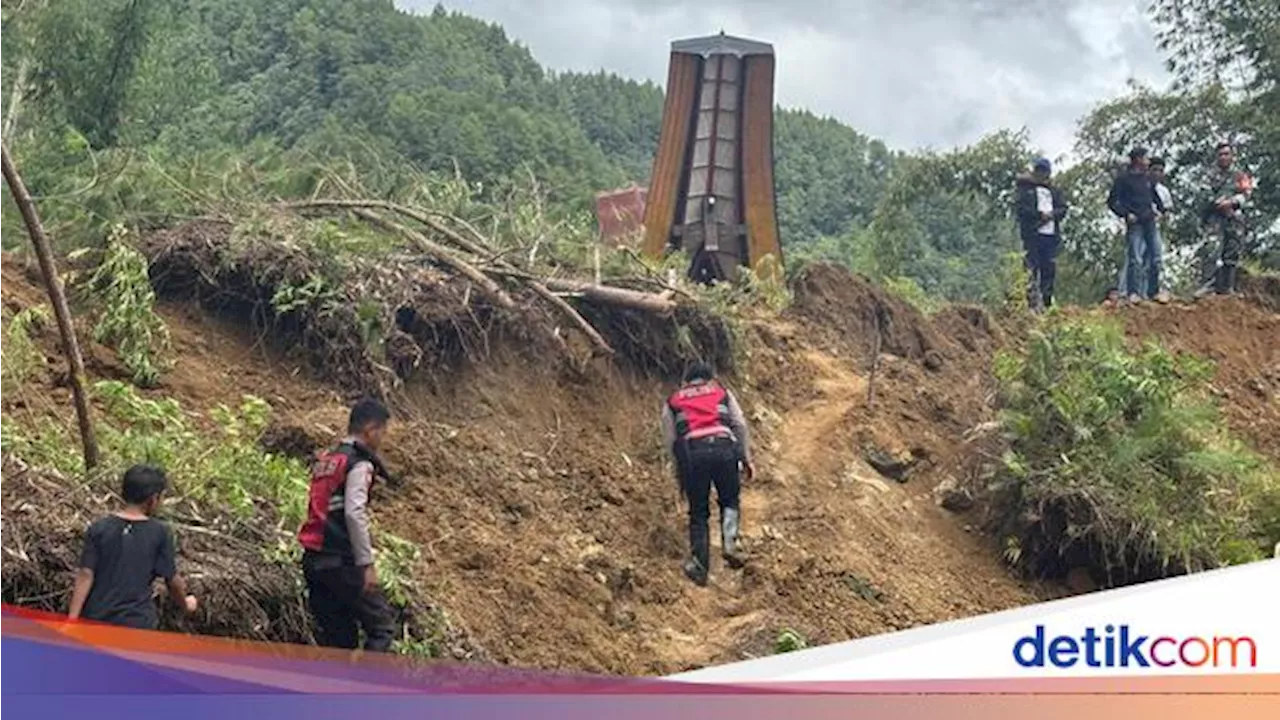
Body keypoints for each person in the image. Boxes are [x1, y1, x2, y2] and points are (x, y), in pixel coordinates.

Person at [297, 398, 396, 652]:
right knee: (381, 629)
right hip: (341, 562)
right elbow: (354, 513)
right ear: (370, 429)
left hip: (313, 561)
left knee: (339, 642)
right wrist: (366, 564)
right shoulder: (359, 463)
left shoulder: (328, 460)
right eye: (382, 432)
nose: (382, 439)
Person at [68, 465, 198, 629]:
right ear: (153, 499)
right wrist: (186, 603)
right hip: (135, 623)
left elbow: (85, 574)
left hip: (96, 620)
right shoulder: (159, 532)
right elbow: (172, 580)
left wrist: (72, 619)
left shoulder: (99, 528)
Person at [661, 362, 755, 587]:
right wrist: (745, 458)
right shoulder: (722, 392)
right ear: (709, 378)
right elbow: (739, 425)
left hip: (693, 455)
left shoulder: (673, 401)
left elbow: (671, 441)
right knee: (730, 500)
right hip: (725, 449)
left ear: (686, 381)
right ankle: (730, 545)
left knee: (699, 512)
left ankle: (700, 567)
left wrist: (678, 469)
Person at [1108, 147, 1165, 304]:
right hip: (1135, 223)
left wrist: (1161, 210)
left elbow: (1155, 196)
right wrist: (1125, 214)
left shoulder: (1147, 179)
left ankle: (1154, 291)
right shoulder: (1123, 180)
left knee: (1156, 257)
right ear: (1138, 159)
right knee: (1136, 259)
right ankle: (1133, 292)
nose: (1148, 161)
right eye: (1146, 158)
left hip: (1150, 221)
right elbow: (1112, 202)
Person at [1015, 157, 1068, 312]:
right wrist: (1039, 215)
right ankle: (1031, 303)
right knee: (1031, 268)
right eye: (1039, 170)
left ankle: (1046, 302)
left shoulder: (1054, 191)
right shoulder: (1026, 191)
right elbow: (1022, 210)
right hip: (1033, 235)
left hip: (1050, 236)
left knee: (1048, 269)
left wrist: (1052, 215)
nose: (1042, 174)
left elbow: (1063, 208)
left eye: (1044, 171)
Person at [1201, 141, 1254, 295]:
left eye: (1227, 154)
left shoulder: (1240, 175)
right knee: (1211, 250)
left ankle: (1228, 287)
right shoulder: (1209, 175)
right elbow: (1204, 194)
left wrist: (1232, 202)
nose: (1224, 157)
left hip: (1234, 217)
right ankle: (1208, 286)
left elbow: (1247, 193)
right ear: (1216, 157)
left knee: (1232, 251)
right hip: (1215, 217)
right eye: (1221, 154)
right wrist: (1219, 204)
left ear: (1232, 156)